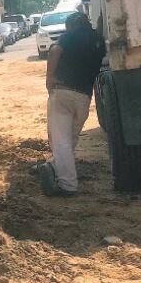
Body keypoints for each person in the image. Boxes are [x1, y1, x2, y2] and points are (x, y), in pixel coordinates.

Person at [38, 12, 105, 197]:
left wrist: (49, 79)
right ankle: (52, 165)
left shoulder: (70, 36)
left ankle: (67, 185)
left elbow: (54, 51)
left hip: (63, 93)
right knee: (71, 138)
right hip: (84, 98)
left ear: (71, 25)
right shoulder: (98, 39)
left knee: (61, 141)